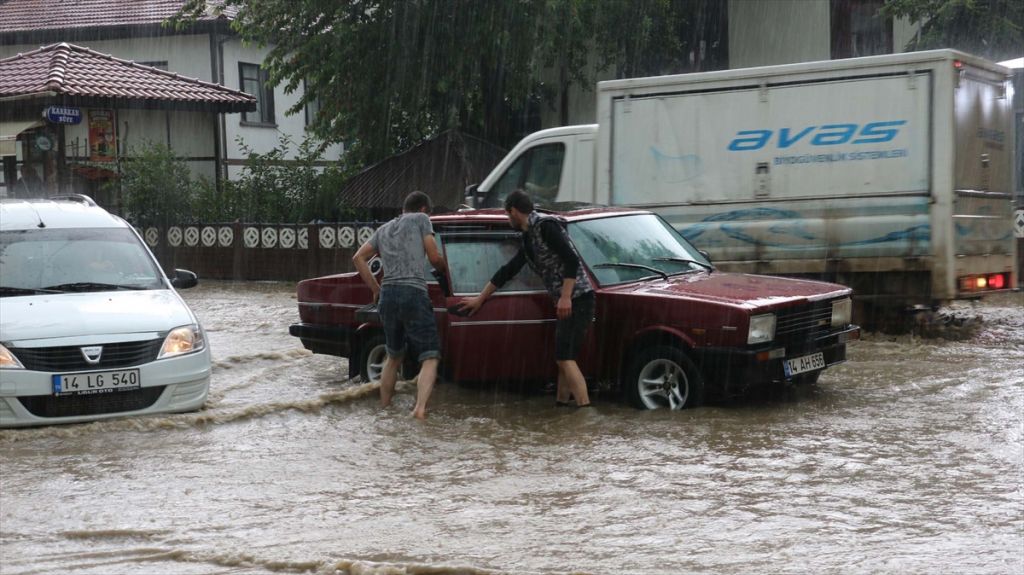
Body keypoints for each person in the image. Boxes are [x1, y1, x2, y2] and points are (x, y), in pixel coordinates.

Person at [458, 189, 594, 408]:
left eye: (506, 215)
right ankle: (563, 408)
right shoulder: (528, 237)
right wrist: (480, 299)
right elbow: (508, 271)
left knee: (565, 358)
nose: (507, 219)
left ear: (512, 211)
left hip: (579, 299)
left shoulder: (545, 226)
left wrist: (566, 297)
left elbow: (572, 260)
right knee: (563, 359)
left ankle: (585, 413)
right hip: (567, 302)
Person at [352, 191, 446, 419]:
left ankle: (385, 407)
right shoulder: (421, 220)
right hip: (413, 292)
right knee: (430, 356)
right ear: (423, 209)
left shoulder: (383, 229)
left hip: (388, 295)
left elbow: (358, 258)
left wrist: (376, 289)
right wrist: (445, 269)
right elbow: (434, 257)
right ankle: (420, 409)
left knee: (393, 356)